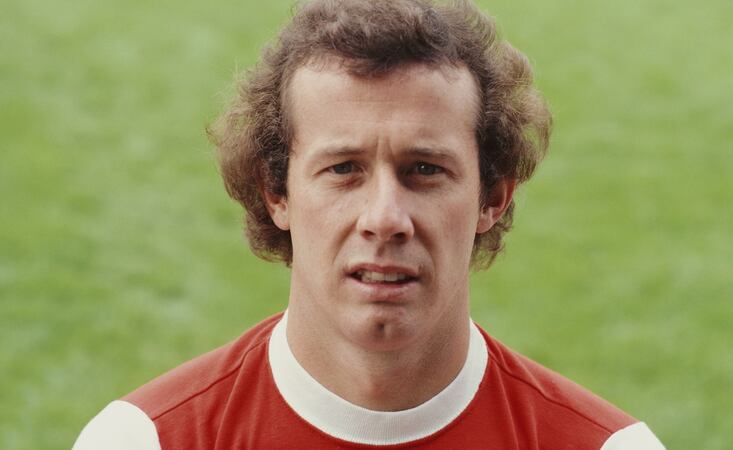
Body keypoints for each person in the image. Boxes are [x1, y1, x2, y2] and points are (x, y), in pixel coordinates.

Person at [74, 0, 666, 448]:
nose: (385, 219)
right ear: (275, 191)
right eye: (343, 169)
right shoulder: (141, 442)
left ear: (493, 196)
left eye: (425, 170)